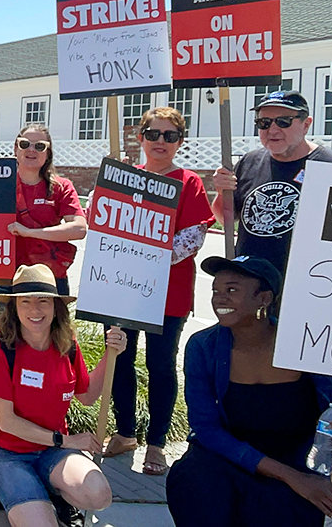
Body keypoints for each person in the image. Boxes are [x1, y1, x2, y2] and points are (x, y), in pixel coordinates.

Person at [167, 255, 332, 527]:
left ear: (264, 298)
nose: (219, 299)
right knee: (194, 481)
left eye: (232, 290)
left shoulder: (308, 345)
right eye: (216, 291)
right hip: (226, 458)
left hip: (294, 460)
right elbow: (207, 430)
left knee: (289, 507)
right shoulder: (203, 347)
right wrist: (291, 477)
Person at [103, 108, 216, 475]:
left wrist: (145, 255)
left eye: (169, 136)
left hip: (169, 294)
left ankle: (156, 443)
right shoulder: (128, 178)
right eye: (153, 134)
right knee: (120, 358)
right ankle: (124, 433)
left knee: (160, 366)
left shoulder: (189, 182)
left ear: (180, 142)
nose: (160, 142)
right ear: (141, 138)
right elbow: (102, 224)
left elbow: (193, 236)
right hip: (122, 290)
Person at [0, 264, 125, 527]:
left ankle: (50, 489)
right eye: (26, 302)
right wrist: (66, 440)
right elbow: (7, 422)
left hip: (51, 451)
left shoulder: (66, 343)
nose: (35, 310)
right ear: (14, 307)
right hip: (7, 451)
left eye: (43, 301)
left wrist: (111, 353)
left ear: (56, 307)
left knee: (99, 495)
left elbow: (88, 396)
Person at [211, 90, 332, 272]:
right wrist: (221, 192)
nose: (272, 130)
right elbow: (227, 219)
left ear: (306, 124)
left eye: (284, 122)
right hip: (250, 282)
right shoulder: (249, 162)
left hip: (304, 282)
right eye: (264, 123)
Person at [6, 124, 87, 294]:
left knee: (55, 322)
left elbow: (79, 229)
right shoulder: (0, 184)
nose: (32, 150)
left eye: (40, 146)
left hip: (51, 277)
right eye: (25, 144)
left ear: (48, 153)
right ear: (15, 149)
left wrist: (29, 232)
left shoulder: (61, 187)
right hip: (10, 277)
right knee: (9, 322)